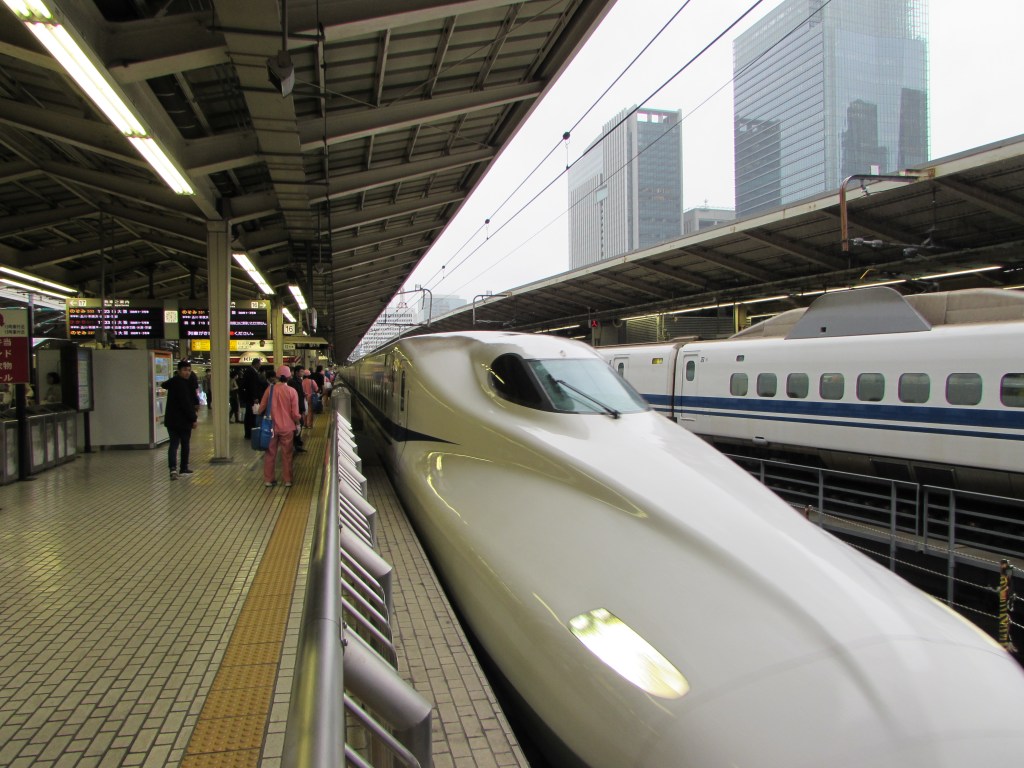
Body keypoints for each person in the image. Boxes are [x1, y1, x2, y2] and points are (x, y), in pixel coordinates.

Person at [257, 365, 301, 488]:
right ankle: (287, 480)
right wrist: (298, 425)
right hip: (287, 428)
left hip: (270, 428)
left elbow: (261, 408)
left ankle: (268, 480)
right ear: (289, 377)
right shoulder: (292, 391)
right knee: (287, 454)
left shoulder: (269, 390)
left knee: (270, 453)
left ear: (276, 376)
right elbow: (295, 413)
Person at [161, 360, 199, 480]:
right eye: (184, 370)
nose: (187, 373)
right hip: (183, 420)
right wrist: (193, 419)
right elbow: (186, 404)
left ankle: (172, 469)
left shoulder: (172, 382)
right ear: (179, 371)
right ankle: (183, 467)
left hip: (171, 420)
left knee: (173, 444)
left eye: (189, 370)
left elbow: (164, 384)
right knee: (185, 444)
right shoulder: (183, 385)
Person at [240, 358, 267, 439]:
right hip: (251, 398)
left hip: (249, 397)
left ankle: (249, 433)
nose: (260, 365)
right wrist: (254, 397)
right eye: (259, 363)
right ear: (256, 364)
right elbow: (252, 386)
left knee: (250, 415)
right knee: (250, 416)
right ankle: (249, 434)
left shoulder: (250, 371)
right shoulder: (251, 372)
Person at [286, 365, 306, 452]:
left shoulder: (298, 381)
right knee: (298, 425)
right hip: (296, 407)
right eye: (301, 371)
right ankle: (296, 444)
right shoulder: (293, 382)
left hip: (299, 406)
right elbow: (295, 397)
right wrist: (301, 408)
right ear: (296, 372)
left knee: (299, 425)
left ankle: (297, 442)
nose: (302, 373)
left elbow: (300, 395)